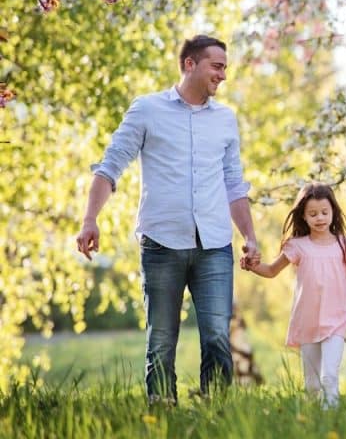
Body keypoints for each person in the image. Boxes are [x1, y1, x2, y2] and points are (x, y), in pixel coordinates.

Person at [75, 34, 261, 404]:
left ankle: (216, 411)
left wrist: (250, 236)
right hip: (162, 243)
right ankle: (160, 410)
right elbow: (111, 166)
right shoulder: (147, 109)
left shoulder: (225, 120)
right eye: (217, 66)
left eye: (225, 67)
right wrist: (90, 219)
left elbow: (233, 183)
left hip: (214, 244)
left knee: (217, 337)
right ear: (190, 64)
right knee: (161, 338)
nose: (223, 75)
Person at [244, 183, 346, 407]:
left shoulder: (345, 246)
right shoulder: (297, 246)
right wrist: (252, 265)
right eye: (313, 214)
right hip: (307, 323)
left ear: (333, 213)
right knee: (311, 385)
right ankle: (312, 421)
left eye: (325, 212)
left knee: (329, 376)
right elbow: (270, 271)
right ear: (304, 217)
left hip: (336, 321)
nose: (320, 218)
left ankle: (332, 417)